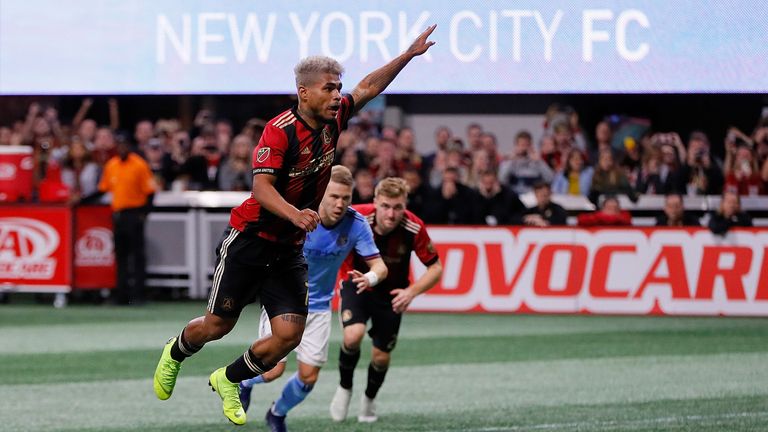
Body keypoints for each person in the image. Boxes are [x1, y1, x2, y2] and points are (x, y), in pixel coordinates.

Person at [152, 26, 437, 427]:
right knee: (217, 326)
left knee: (289, 335)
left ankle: (229, 379)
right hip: (250, 239)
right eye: (329, 88)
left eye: (338, 87)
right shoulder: (279, 130)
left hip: (286, 248)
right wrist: (296, 214)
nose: (338, 95)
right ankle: (175, 354)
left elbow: (370, 85)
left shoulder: (336, 118)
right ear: (304, 92)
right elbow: (260, 187)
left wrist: (407, 56)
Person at [237, 165, 388, 431]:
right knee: (272, 370)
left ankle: (277, 413)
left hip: (318, 308)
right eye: (334, 197)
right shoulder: (297, 215)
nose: (340, 204)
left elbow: (380, 266)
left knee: (308, 377)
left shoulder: (356, 224)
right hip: (283, 300)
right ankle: (244, 382)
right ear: (321, 194)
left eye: (346, 198)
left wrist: (370, 278)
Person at [330, 177, 443, 424]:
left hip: (392, 294)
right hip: (357, 283)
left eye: (398, 207)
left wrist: (411, 292)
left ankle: (369, 399)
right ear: (375, 203)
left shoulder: (414, 227)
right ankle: (344, 387)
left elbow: (435, 268)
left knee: (381, 356)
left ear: (405, 206)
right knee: (353, 335)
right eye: (385, 206)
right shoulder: (357, 218)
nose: (391, 214)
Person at [95, 137, 156, 304]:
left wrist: (144, 214)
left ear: (129, 146)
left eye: (124, 145)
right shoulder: (112, 165)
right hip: (118, 215)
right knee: (121, 256)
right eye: (119, 145)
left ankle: (138, 295)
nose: (122, 148)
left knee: (137, 256)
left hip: (134, 214)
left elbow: (150, 192)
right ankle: (121, 294)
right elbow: (102, 189)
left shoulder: (139, 164)